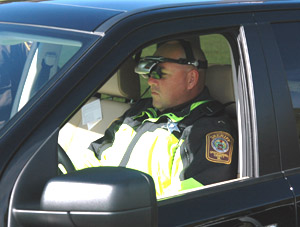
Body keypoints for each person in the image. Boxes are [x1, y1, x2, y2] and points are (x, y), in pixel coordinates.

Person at [89, 38, 237, 198]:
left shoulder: (208, 130)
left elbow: (190, 202)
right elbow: (94, 155)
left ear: (191, 79)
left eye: (160, 73)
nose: (151, 81)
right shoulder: (139, 112)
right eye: (150, 73)